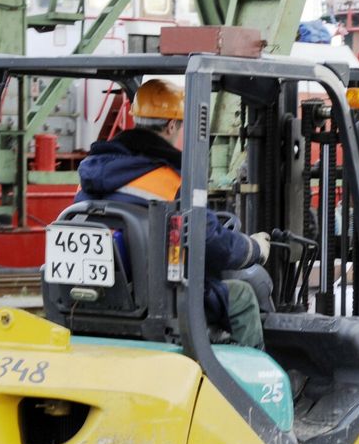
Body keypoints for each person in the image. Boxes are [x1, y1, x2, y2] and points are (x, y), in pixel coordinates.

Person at [75, 79, 271, 349]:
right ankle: (246, 388)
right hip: (156, 299)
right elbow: (213, 243)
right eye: (179, 126)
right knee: (242, 296)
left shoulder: (90, 174)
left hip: (97, 296)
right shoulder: (170, 182)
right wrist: (254, 248)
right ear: (171, 125)